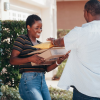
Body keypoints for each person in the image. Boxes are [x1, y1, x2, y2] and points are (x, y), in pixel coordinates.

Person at [47, 0, 100, 100]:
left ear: (86, 12)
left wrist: (53, 41)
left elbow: (61, 42)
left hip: (84, 90)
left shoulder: (79, 32)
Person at [10, 14, 70, 100]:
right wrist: (30, 59)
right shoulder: (22, 39)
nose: (40, 30)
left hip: (42, 81)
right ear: (28, 27)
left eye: (41, 28)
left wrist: (58, 61)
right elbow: (12, 60)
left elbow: (46, 69)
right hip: (29, 80)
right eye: (37, 28)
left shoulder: (41, 45)